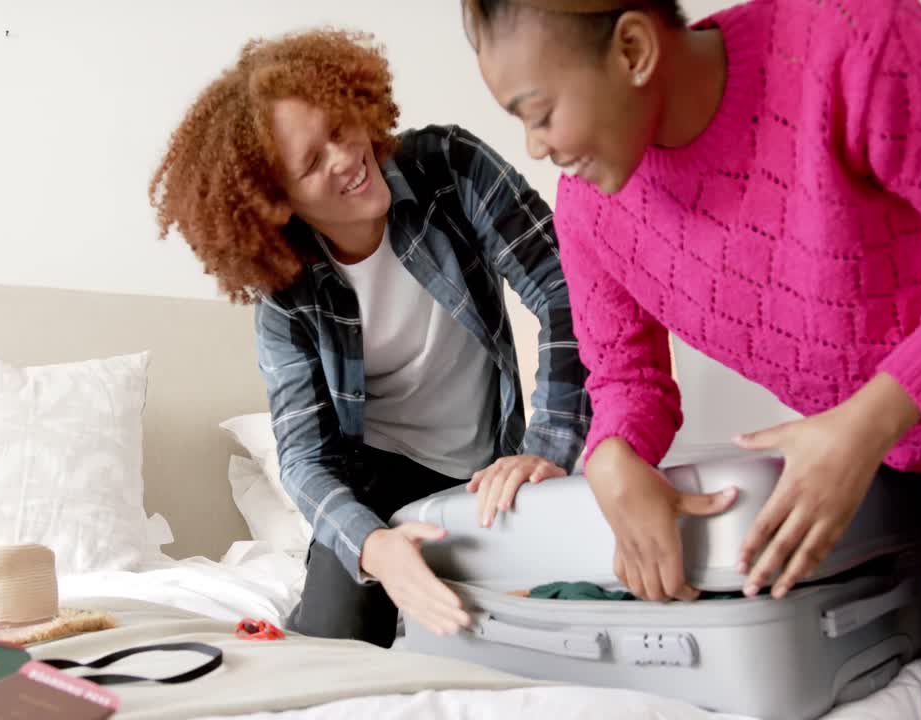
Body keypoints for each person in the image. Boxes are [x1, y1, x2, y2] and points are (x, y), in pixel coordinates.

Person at [464, 0, 921, 717]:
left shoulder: (850, 41)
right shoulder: (588, 210)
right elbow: (627, 378)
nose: (536, 148)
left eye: (539, 113)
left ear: (632, 49)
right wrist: (612, 456)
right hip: (908, 464)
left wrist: (865, 424)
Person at [149, 29, 590, 648]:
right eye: (311, 161)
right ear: (279, 205)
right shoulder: (287, 300)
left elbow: (567, 286)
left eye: (338, 127)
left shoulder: (449, 167)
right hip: (374, 483)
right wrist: (374, 548)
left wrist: (548, 445)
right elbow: (305, 459)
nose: (345, 157)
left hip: (490, 466)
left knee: (542, 624)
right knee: (335, 648)